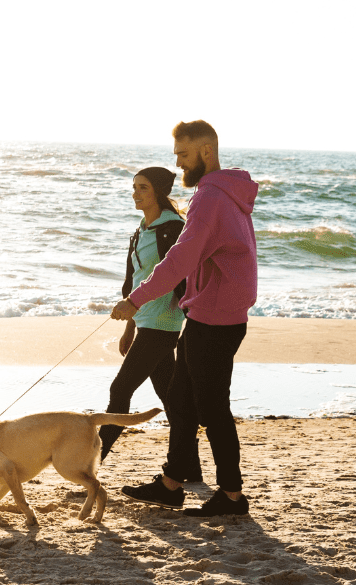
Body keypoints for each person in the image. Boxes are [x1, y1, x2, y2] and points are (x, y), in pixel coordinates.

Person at [110, 120, 259, 517]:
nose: (178, 163)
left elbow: (180, 258)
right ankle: (172, 485)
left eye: (184, 155)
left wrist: (135, 301)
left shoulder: (212, 197)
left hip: (217, 316)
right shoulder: (226, 192)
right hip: (209, 311)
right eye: (176, 154)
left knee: (212, 407)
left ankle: (231, 496)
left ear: (206, 152)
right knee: (180, 398)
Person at [98, 167, 187, 465]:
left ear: (159, 192)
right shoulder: (141, 230)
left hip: (164, 323)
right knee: (169, 397)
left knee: (119, 389)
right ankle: (190, 465)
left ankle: (93, 461)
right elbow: (133, 282)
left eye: (143, 188)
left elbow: (178, 276)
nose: (135, 193)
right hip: (145, 321)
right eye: (134, 186)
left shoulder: (173, 229)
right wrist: (129, 329)